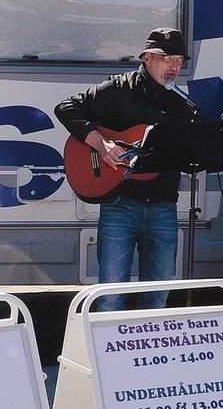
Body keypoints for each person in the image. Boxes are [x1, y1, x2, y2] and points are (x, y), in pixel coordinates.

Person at [55, 27, 195, 311]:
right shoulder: (118, 89)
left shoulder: (181, 106)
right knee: (110, 299)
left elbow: (190, 154)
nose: (174, 66)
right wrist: (100, 144)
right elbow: (66, 107)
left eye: (179, 60)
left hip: (163, 208)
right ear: (147, 58)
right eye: (167, 58)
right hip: (120, 206)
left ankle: (150, 355)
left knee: (157, 299)